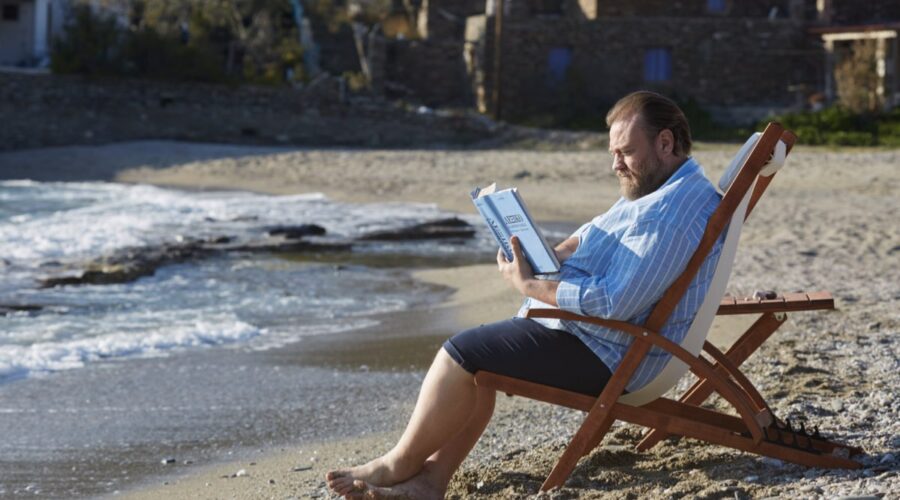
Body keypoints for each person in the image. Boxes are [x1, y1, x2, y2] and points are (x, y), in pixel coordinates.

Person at [325, 91, 723, 499]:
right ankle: (430, 482)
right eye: (613, 152)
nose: (616, 165)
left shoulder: (672, 213)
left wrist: (529, 285)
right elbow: (594, 231)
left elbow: (614, 303)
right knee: (480, 368)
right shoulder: (661, 192)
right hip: (602, 337)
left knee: (462, 353)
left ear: (665, 143)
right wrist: (549, 252)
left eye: (626, 152)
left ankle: (400, 463)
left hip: (613, 352)